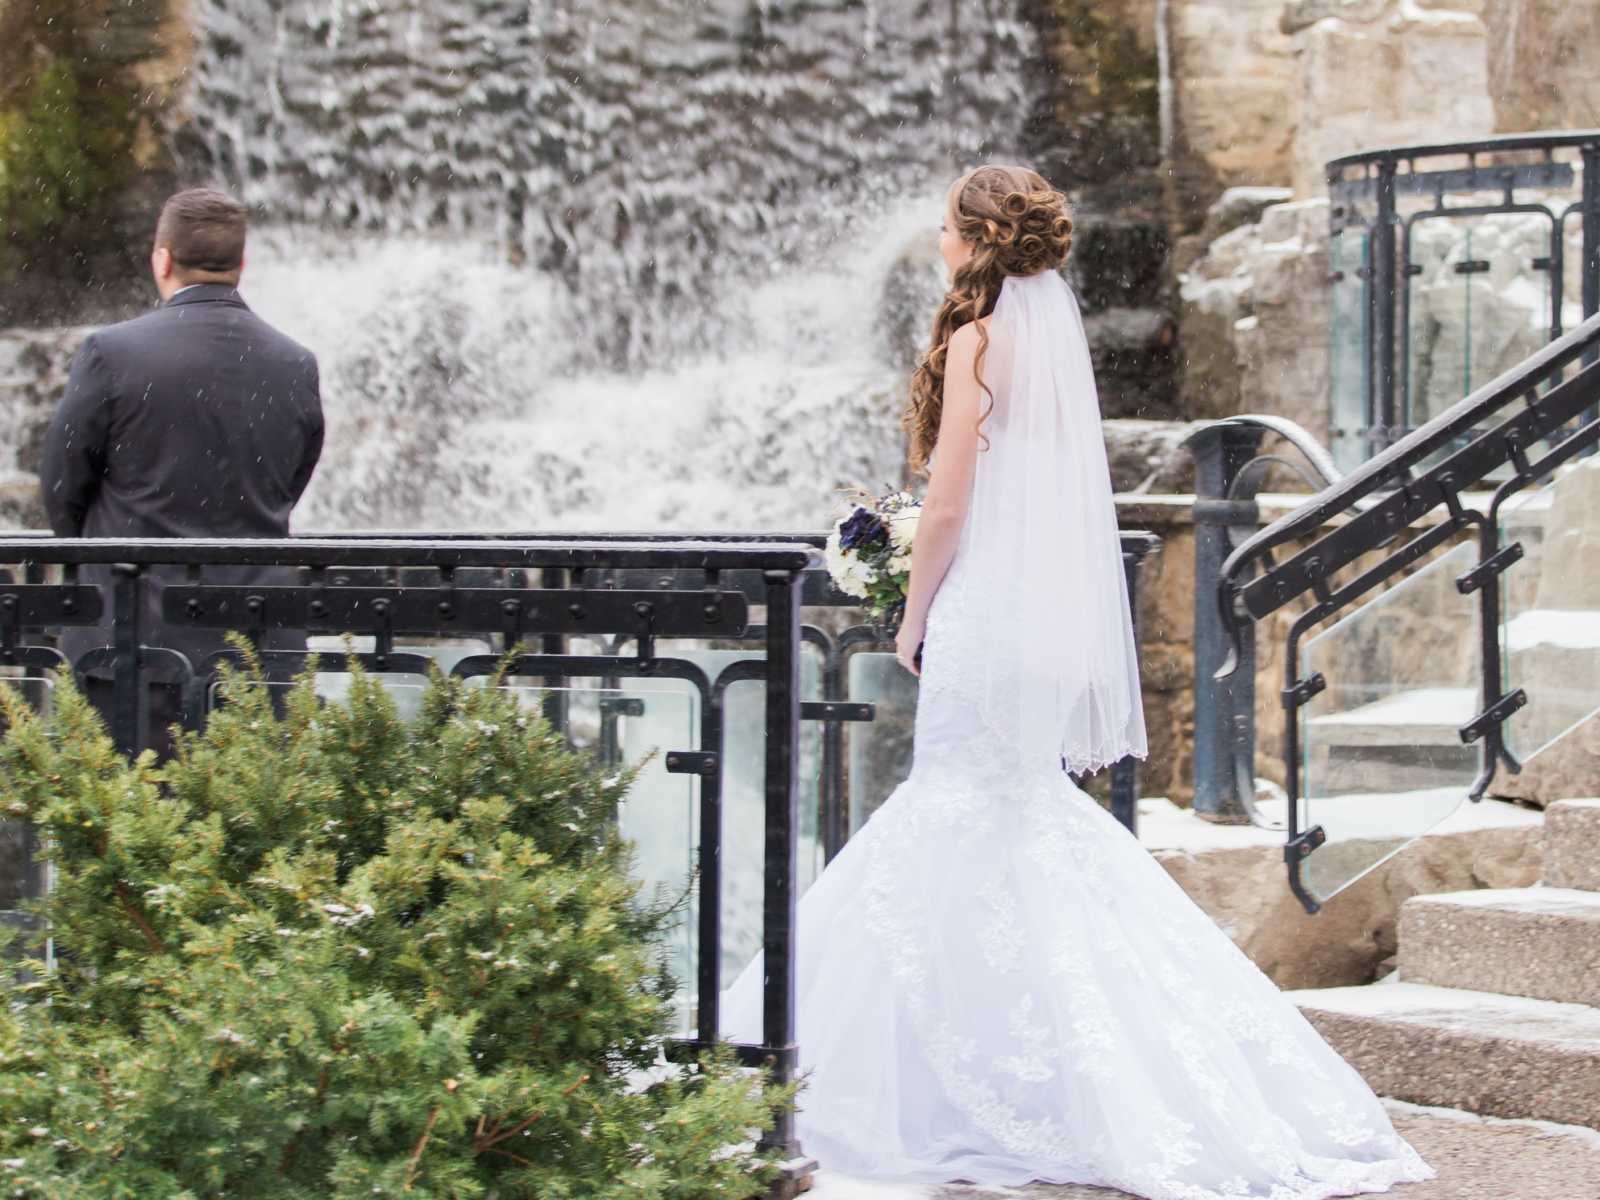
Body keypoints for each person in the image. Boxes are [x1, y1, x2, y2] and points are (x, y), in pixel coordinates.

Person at [722, 166, 1434, 1197]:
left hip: (978, 619)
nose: (933, 240)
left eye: (943, 226)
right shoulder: (1045, 346)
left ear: (974, 239)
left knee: (961, 813)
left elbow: (955, 500)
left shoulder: (975, 340)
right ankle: (1044, 1070)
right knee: (1017, 820)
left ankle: (892, 1074)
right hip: (1037, 624)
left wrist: (914, 608)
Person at [39, 188, 324, 756]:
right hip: (254, 645)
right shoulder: (294, 362)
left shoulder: (113, 353)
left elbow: (61, 485)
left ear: (162, 259)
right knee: (243, 828)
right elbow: (290, 481)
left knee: (127, 823)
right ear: (241, 266)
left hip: (130, 642)